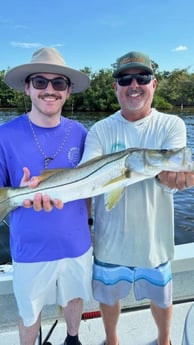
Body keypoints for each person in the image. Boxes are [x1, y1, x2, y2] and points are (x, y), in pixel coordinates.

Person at [78, 51, 194, 345]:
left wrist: (174, 176)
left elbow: (173, 168)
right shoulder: (101, 130)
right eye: (124, 78)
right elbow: (86, 176)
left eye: (141, 77)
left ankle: (165, 340)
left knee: (162, 299)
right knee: (108, 298)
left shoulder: (171, 125)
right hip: (109, 239)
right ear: (115, 86)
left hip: (154, 241)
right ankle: (112, 341)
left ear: (154, 84)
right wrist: (87, 222)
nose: (134, 85)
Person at [1, 47, 92, 345]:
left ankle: (73, 339)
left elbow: (92, 188)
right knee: (29, 313)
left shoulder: (82, 132)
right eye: (40, 82)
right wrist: (19, 196)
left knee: (75, 299)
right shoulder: (4, 135)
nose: (49, 90)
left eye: (58, 83)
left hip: (77, 244)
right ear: (27, 88)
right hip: (29, 248)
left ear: (68, 92)